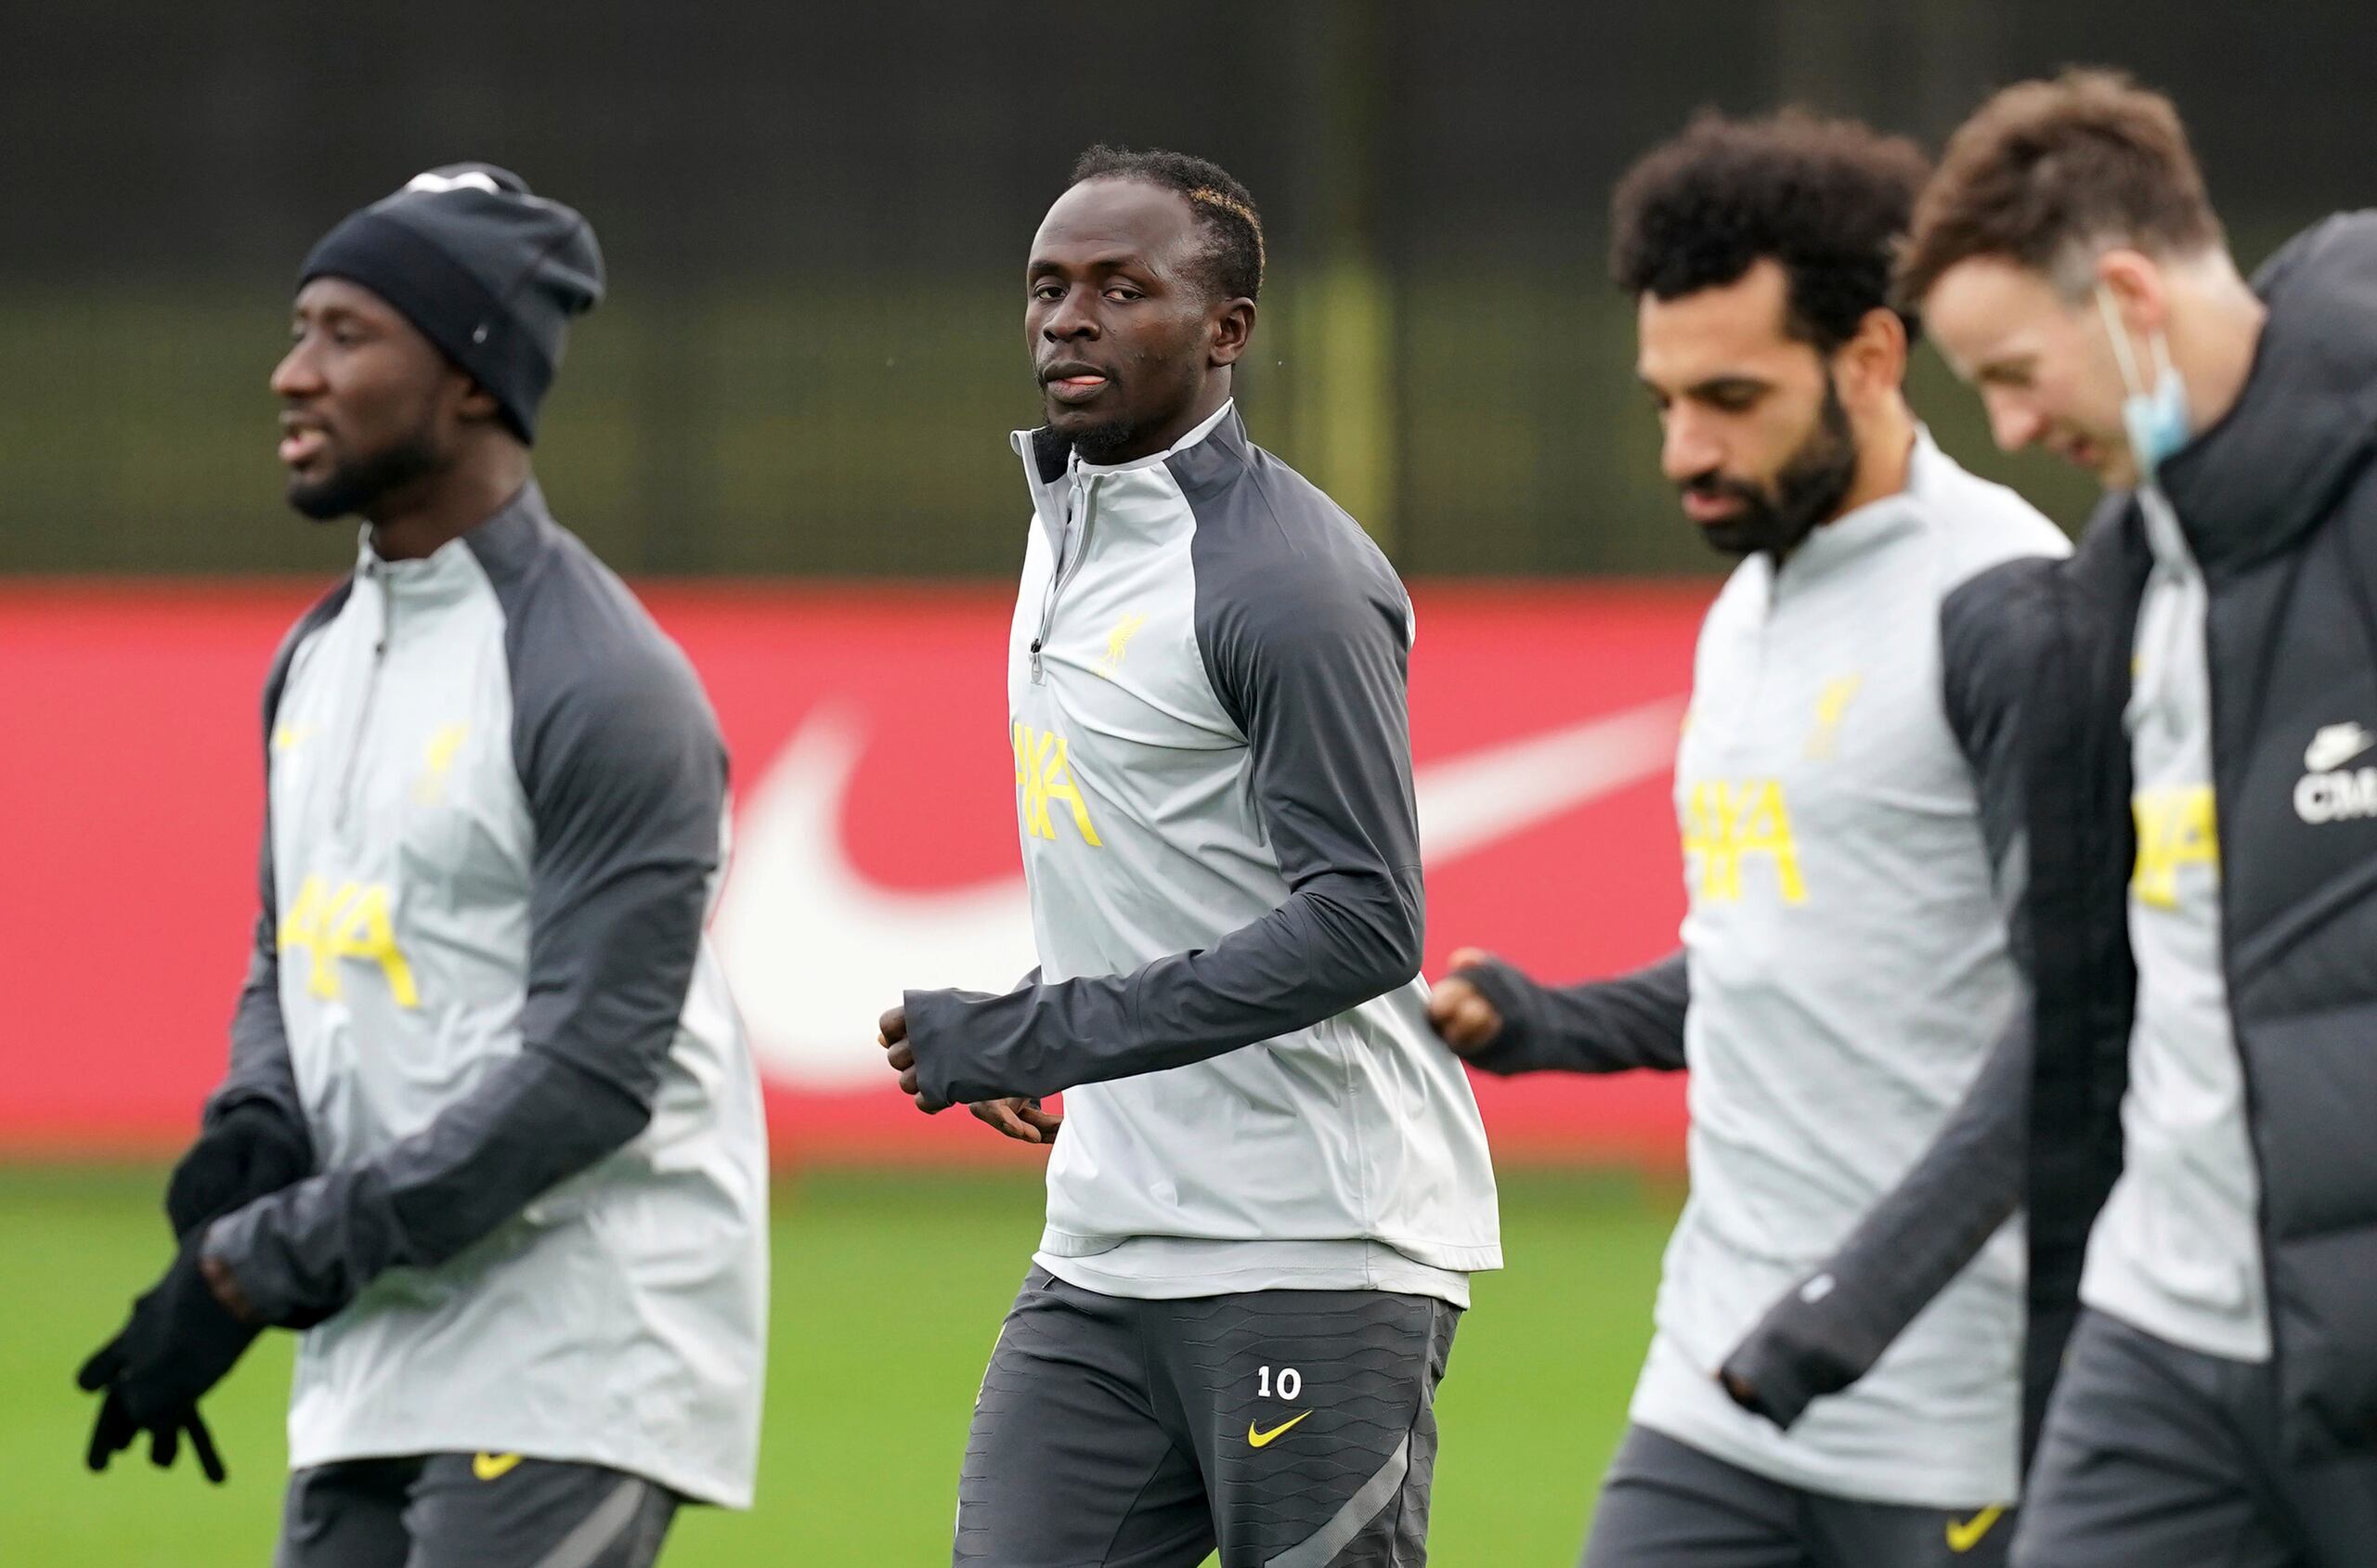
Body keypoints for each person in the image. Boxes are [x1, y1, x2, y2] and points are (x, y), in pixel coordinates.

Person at [1724, 70, 2377, 1568]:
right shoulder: (2123, 589)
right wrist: (1857, 1305)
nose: (2010, 425)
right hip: (2158, 1342)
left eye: (2016, 369)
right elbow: (2084, 1001)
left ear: (2132, 293)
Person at [73, 165, 769, 1568]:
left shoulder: (599, 677)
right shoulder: (317, 656)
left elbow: (588, 1077)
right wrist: (256, 1123)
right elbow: (294, 944)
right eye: (298, 327)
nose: (292, 373)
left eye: (344, 333)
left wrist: (256, 1263)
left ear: (470, 377)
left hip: (579, 1339)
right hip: (381, 1338)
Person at [1422, 112, 2067, 1567]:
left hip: (1953, 1414)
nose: (1685, 451)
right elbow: (1784, 961)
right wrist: (1552, 1023)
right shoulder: (1747, 611)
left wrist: (1855, 1302)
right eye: (1662, 400)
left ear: (1874, 359)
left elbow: (2085, 1018)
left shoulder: (2013, 607)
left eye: (1730, 397)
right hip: (1715, 1389)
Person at [876, 145, 1500, 1567]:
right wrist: (1059, 1015)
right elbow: (1188, 870)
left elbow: (1361, 922)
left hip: (1313, 1252)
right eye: (1047, 286)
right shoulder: (1065, 531)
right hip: (1103, 1249)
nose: (1066, 318)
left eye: (1120, 287)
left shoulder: (1288, 580)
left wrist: (1056, 1024)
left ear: (1228, 332)